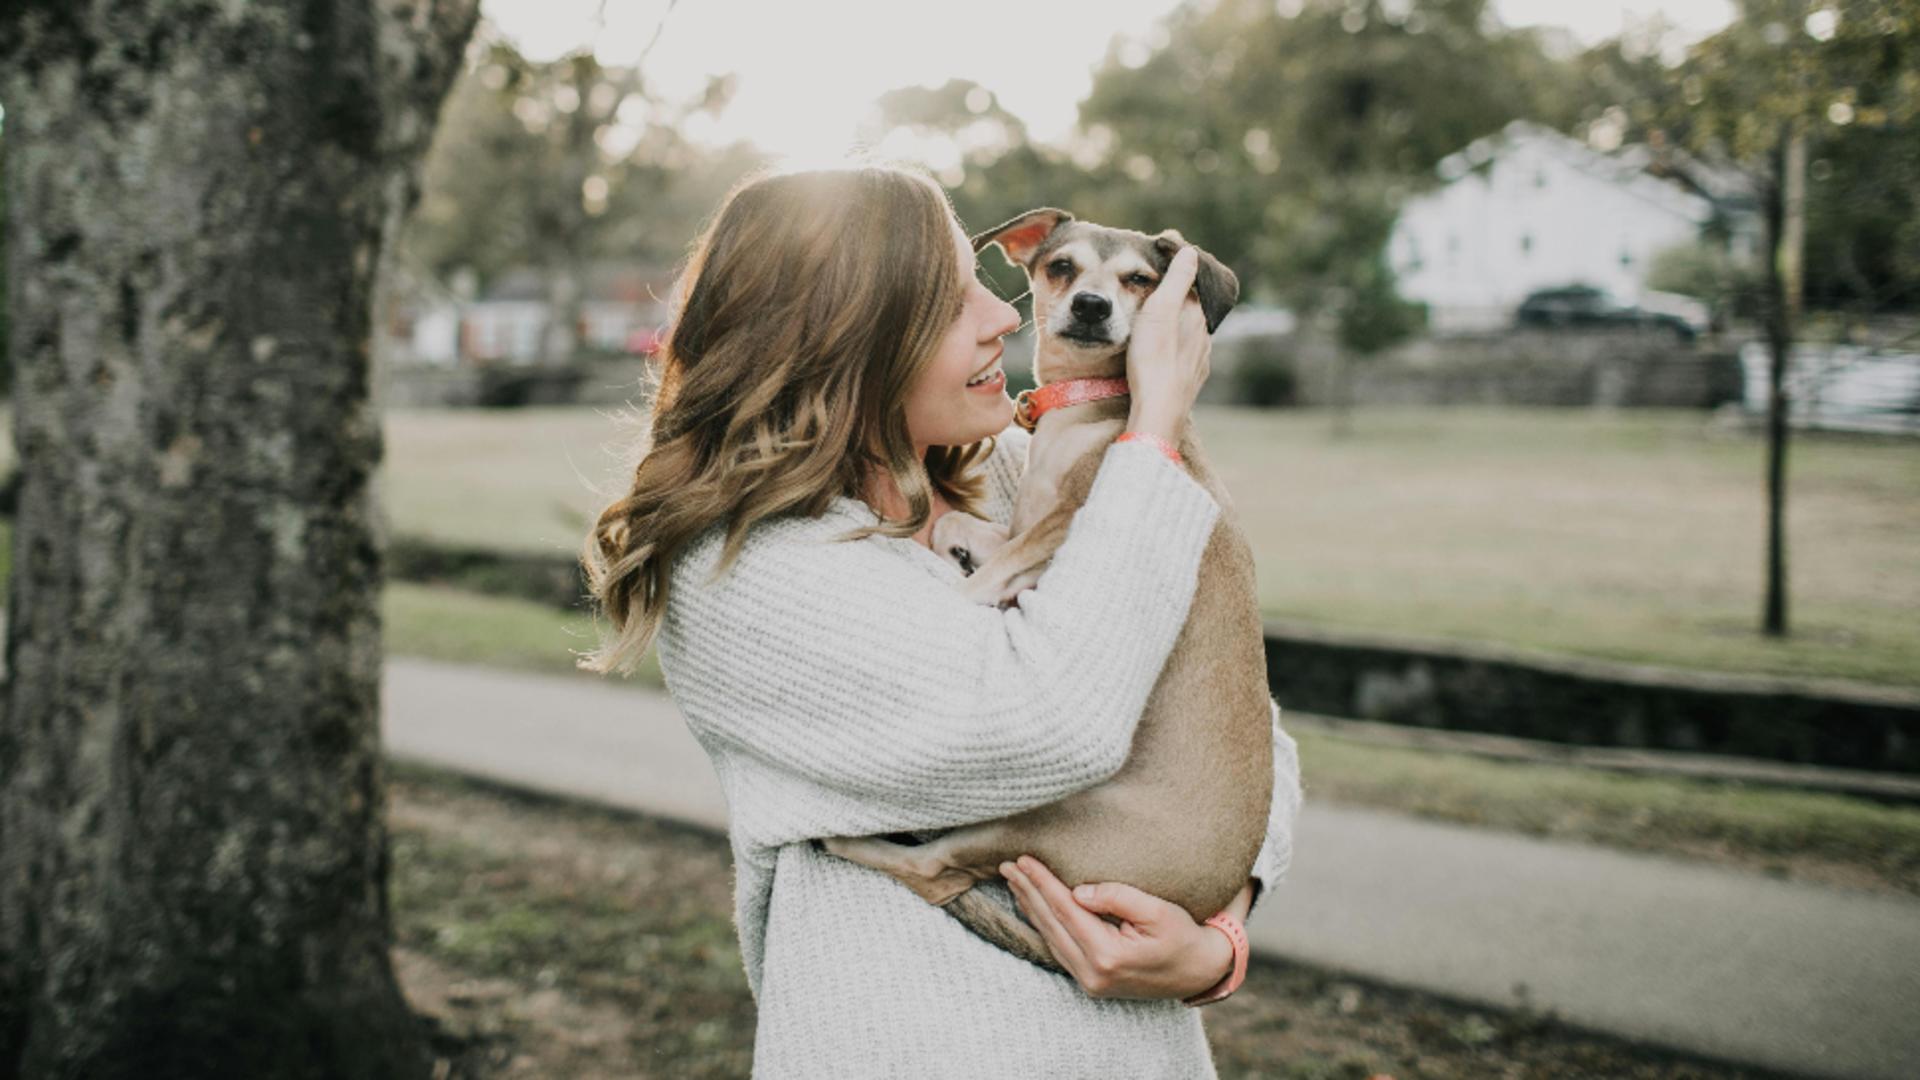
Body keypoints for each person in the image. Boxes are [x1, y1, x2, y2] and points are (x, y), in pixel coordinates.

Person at [579, 163, 1303, 1078]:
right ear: (846, 338)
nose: (1005, 313)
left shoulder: (1010, 470)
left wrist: (1218, 936)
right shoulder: (744, 573)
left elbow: (1242, 725)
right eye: (952, 298)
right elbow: (1055, 723)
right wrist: (1154, 427)